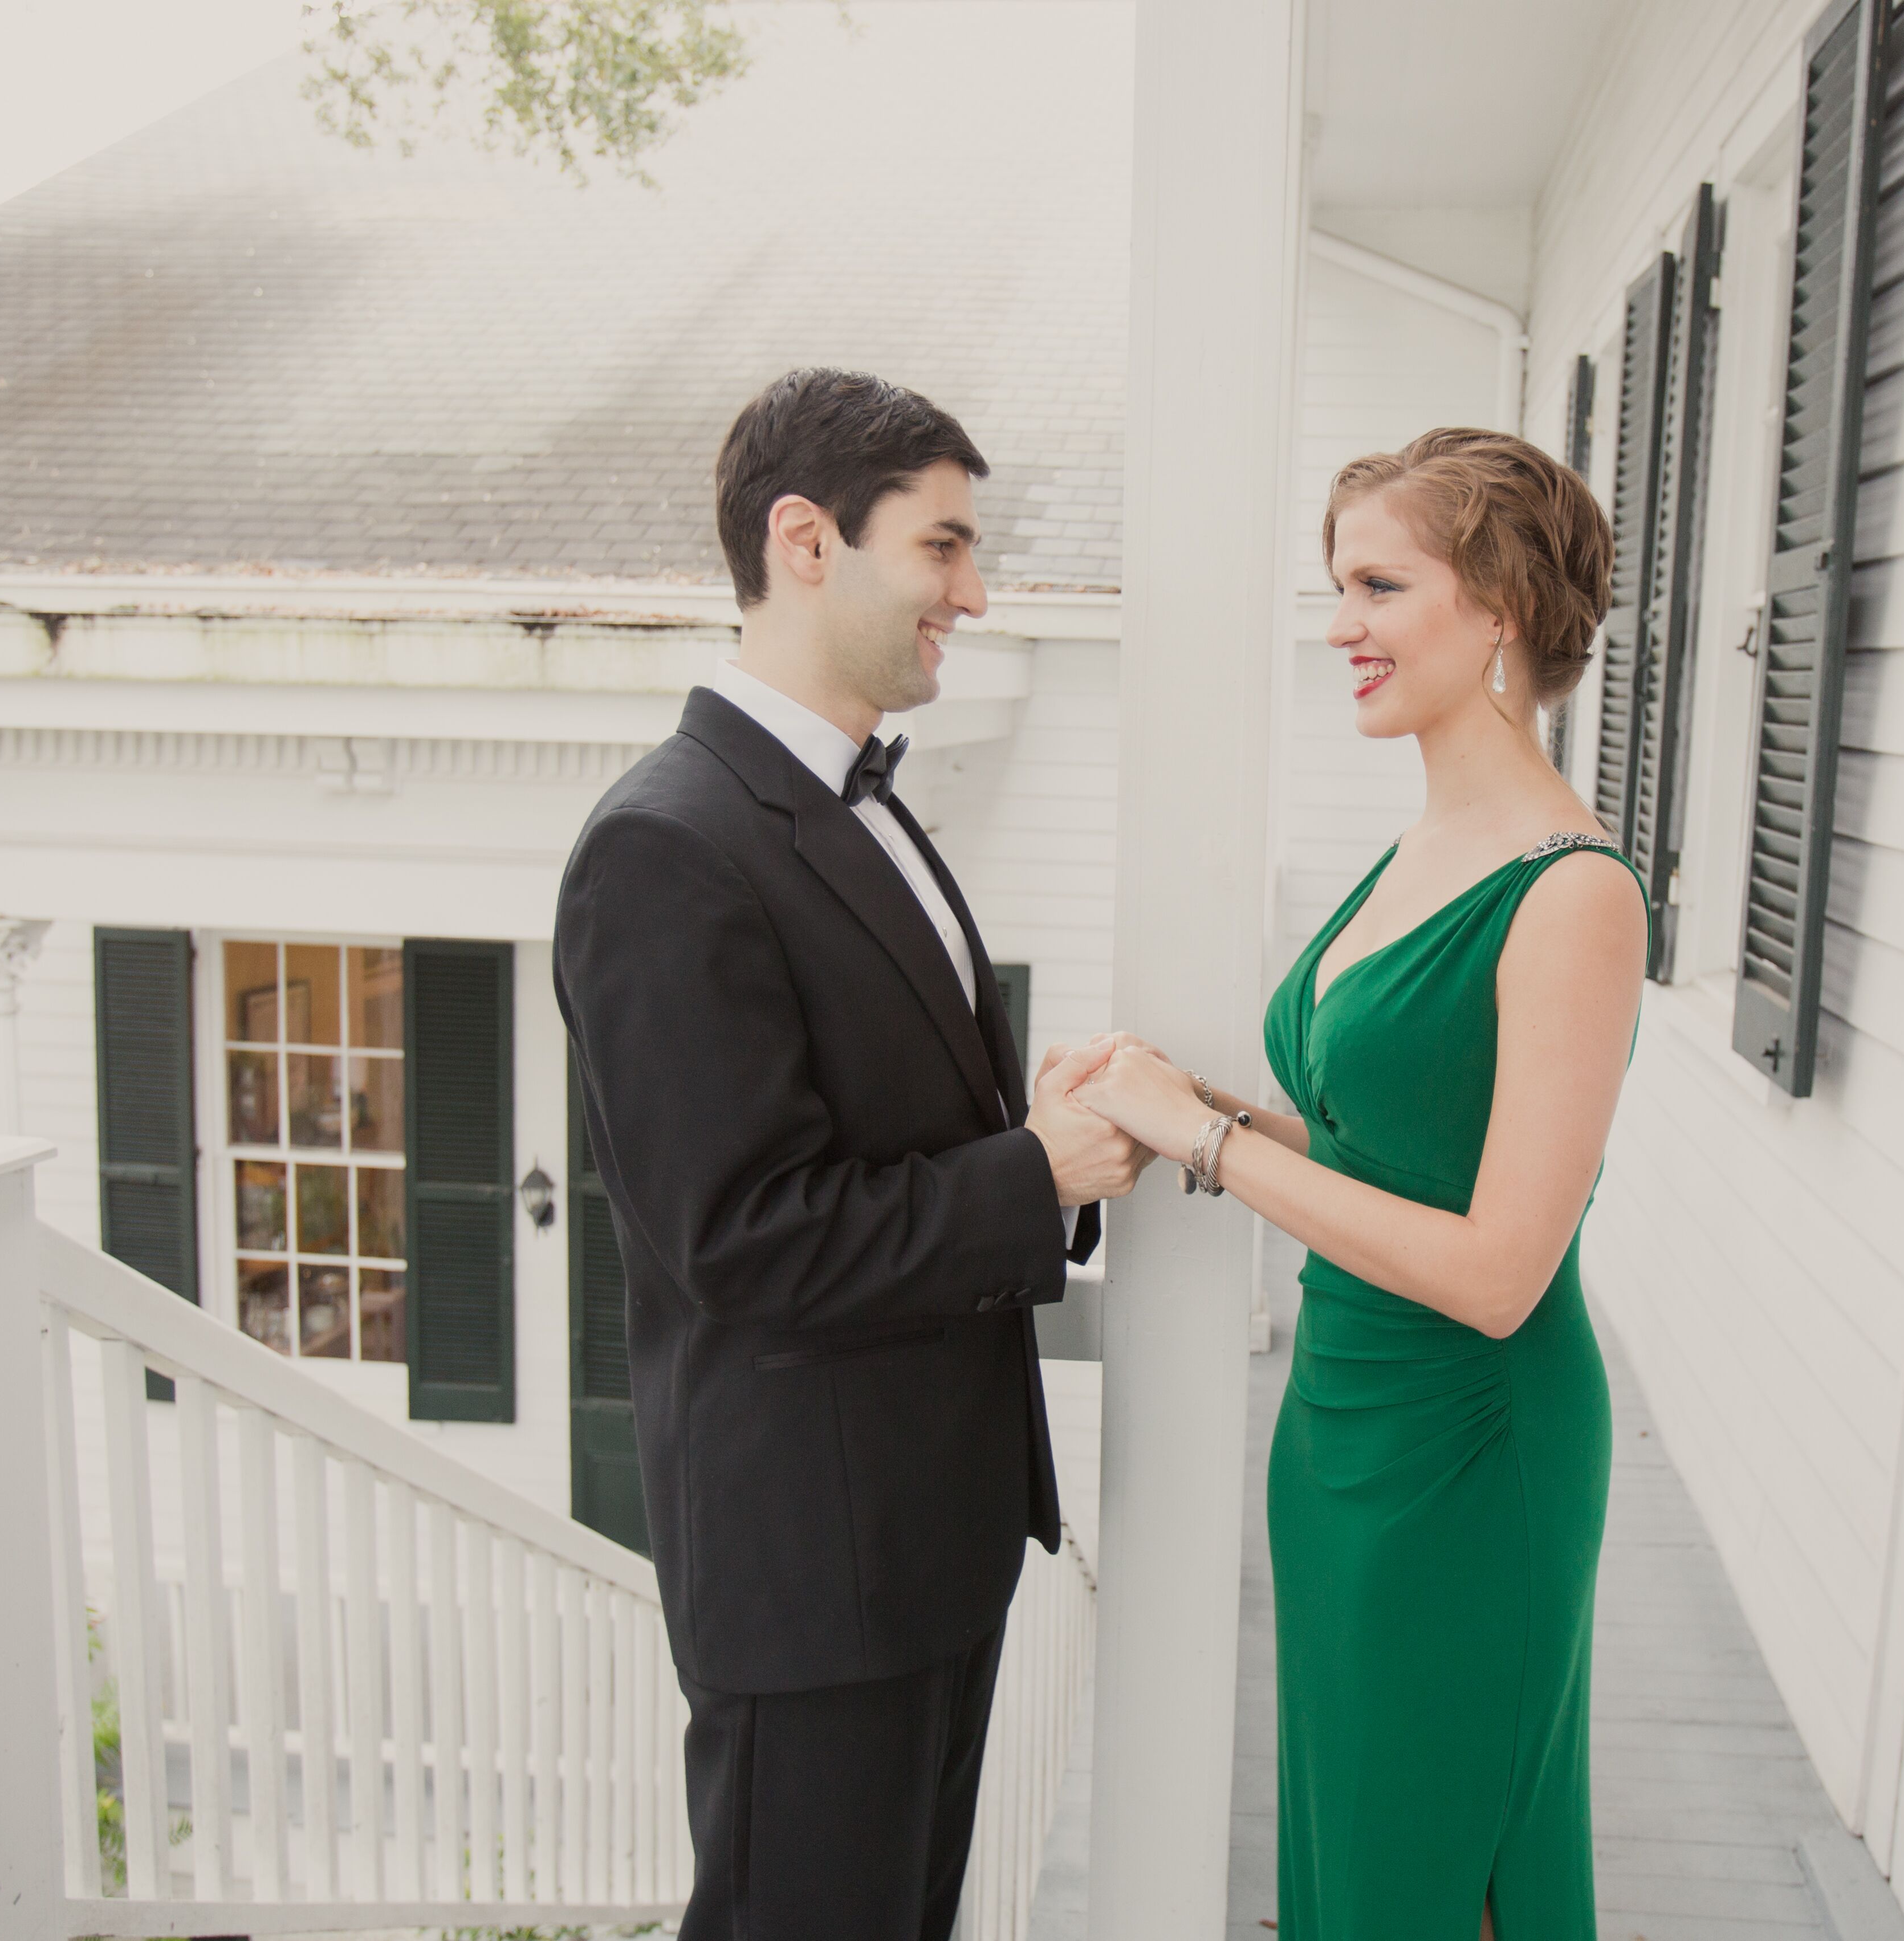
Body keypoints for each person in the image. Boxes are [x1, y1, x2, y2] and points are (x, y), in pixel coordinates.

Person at [553, 367, 1150, 1941]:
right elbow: (745, 1240)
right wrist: (1041, 1176)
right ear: (805, 540)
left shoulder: (860, 804)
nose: (973, 589)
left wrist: (1044, 1129)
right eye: (942, 547)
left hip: (929, 1542)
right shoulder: (667, 846)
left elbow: (896, 1129)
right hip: (815, 1581)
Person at [1074, 428, 1649, 1940]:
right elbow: (1378, 1150)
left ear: (1501, 606)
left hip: (1473, 1454)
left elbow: (1492, 1268)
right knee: (1351, 1857)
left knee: (1435, 1872)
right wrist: (1195, 1098)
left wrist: (1207, 1149)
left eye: (1378, 585)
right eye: (1339, 587)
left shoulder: (1572, 894)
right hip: (1339, 1441)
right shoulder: (1418, 844)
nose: (1340, 627)